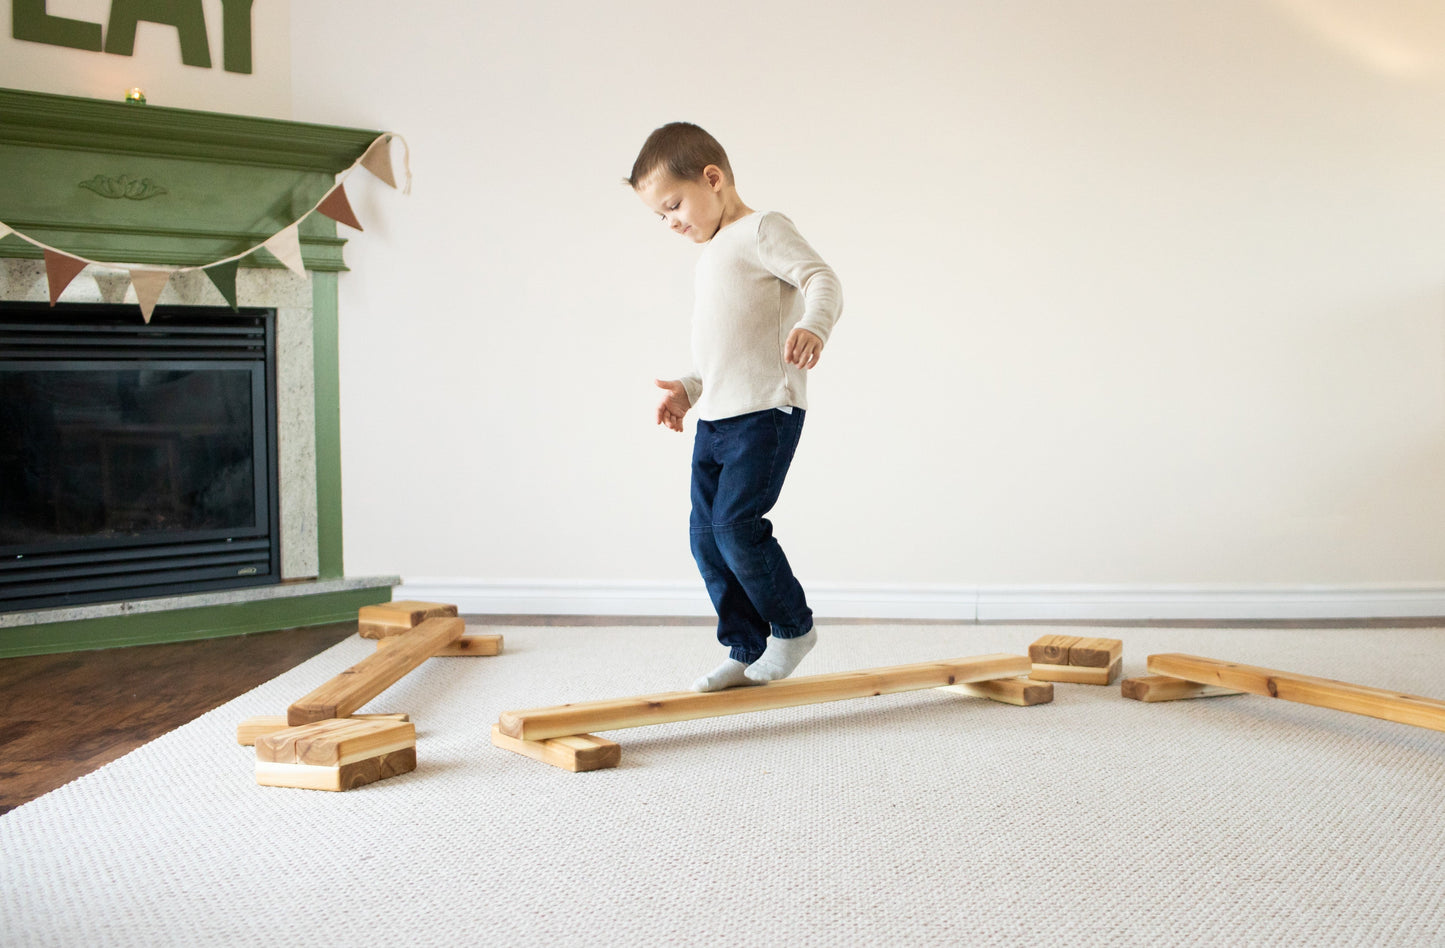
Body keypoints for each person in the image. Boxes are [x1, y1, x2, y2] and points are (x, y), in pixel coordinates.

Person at [627, 122, 843, 692]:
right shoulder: (711, 254)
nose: (669, 220)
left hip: (766, 411)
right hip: (717, 416)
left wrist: (813, 326)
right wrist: (689, 389)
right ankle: (745, 648)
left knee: (735, 526)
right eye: (659, 215)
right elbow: (726, 351)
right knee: (705, 535)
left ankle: (792, 630)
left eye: (673, 204)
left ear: (713, 178)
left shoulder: (761, 229)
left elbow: (821, 277)